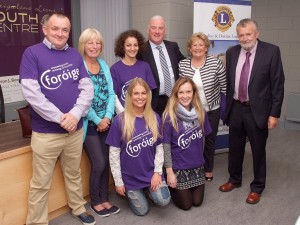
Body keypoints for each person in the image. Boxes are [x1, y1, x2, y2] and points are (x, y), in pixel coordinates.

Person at [19, 12, 96, 225]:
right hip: (46, 133)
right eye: (55, 28)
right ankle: (36, 222)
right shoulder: (32, 53)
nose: (60, 33)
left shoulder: (74, 55)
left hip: (75, 130)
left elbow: (87, 87)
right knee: (41, 182)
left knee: (73, 173)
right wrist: (62, 118)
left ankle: (78, 208)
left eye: (65, 30)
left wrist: (75, 114)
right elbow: (31, 93)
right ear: (45, 29)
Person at [219, 18, 285, 204]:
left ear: (257, 33)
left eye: (248, 33)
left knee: (258, 150)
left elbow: (278, 85)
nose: (245, 38)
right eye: (241, 35)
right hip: (236, 109)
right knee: (235, 148)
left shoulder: (271, 52)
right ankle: (234, 179)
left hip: (258, 111)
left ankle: (257, 187)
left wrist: (274, 114)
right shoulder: (232, 52)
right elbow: (229, 83)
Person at [106, 78, 171, 216]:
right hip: (131, 178)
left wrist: (157, 172)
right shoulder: (119, 120)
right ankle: (136, 191)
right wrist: (118, 182)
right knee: (142, 211)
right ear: (130, 96)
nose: (140, 97)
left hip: (150, 173)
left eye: (143, 93)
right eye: (136, 93)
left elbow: (159, 148)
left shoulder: (155, 117)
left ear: (148, 95)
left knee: (164, 200)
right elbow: (114, 155)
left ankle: (149, 189)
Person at [78, 28, 120, 217]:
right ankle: (96, 201)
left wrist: (108, 117)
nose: (94, 46)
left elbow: (111, 93)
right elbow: (80, 98)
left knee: (107, 164)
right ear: (83, 45)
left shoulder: (103, 64)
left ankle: (105, 199)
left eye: (97, 43)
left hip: (106, 122)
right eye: (90, 42)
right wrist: (97, 119)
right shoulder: (78, 66)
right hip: (91, 124)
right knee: (100, 163)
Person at [179, 32, 226, 181]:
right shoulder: (183, 64)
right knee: (193, 140)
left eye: (201, 45)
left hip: (212, 110)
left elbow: (224, 87)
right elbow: (180, 89)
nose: (198, 47)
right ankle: (195, 166)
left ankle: (208, 169)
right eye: (194, 45)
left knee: (209, 140)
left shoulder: (216, 63)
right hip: (190, 111)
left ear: (206, 48)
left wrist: (225, 111)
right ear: (190, 48)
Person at [162, 77, 212, 210]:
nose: (185, 96)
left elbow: (205, 141)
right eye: (181, 92)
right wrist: (169, 172)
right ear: (176, 94)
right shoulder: (169, 116)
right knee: (186, 205)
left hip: (197, 166)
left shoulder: (201, 112)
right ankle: (169, 186)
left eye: (188, 92)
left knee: (197, 202)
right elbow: (165, 147)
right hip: (179, 168)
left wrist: (206, 166)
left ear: (194, 93)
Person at [141, 15, 185, 116]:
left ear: (165, 31)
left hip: (175, 100)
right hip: (154, 103)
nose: (157, 31)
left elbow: (185, 63)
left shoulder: (173, 46)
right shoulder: (141, 50)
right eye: (153, 28)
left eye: (160, 28)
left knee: (175, 130)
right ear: (148, 30)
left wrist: (204, 59)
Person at [110, 29, 157, 114]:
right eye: (128, 45)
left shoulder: (145, 66)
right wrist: (123, 114)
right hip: (124, 114)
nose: (132, 48)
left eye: (135, 45)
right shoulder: (115, 69)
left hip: (143, 114)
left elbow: (149, 92)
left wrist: (145, 111)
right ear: (122, 47)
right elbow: (113, 96)